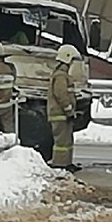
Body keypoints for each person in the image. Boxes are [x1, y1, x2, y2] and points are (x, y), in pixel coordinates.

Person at [48, 44, 81, 173]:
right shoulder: (61, 76)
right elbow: (60, 94)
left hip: (63, 113)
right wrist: (68, 109)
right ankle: (60, 164)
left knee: (66, 140)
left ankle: (66, 163)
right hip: (60, 113)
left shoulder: (62, 75)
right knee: (62, 142)